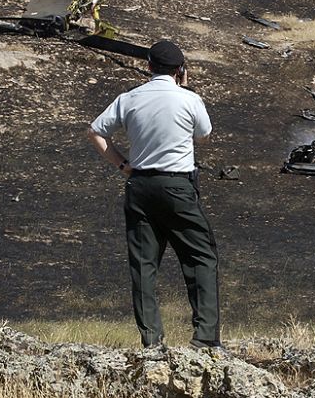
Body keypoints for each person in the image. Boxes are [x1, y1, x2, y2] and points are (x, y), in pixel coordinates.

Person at [87, 40, 221, 349]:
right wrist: (186, 90)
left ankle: (152, 340)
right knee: (200, 256)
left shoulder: (130, 98)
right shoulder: (188, 99)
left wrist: (123, 164)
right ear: (180, 70)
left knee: (144, 264)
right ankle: (205, 337)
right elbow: (204, 136)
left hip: (140, 186)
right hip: (178, 185)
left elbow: (95, 131)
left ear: (148, 67)